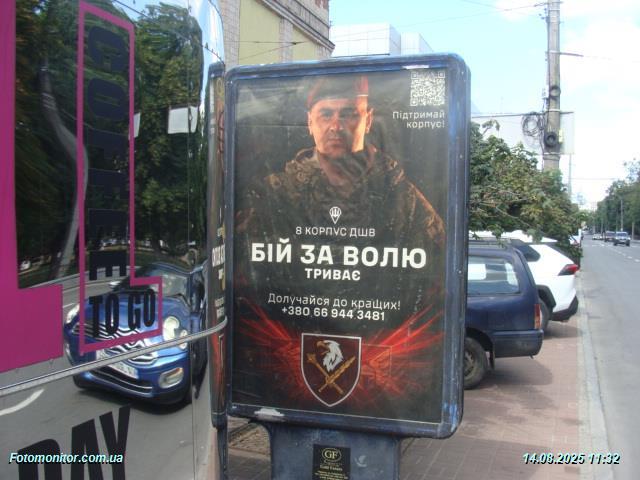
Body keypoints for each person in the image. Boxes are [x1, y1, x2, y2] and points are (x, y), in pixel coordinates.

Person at [236, 74, 445, 314]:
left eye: (348, 114)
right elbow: (244, 271)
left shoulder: (401, 196)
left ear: (368, 120)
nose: (336, 126)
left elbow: (437, 271)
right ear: (309, 122)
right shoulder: (276, 193)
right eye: (326, 114)